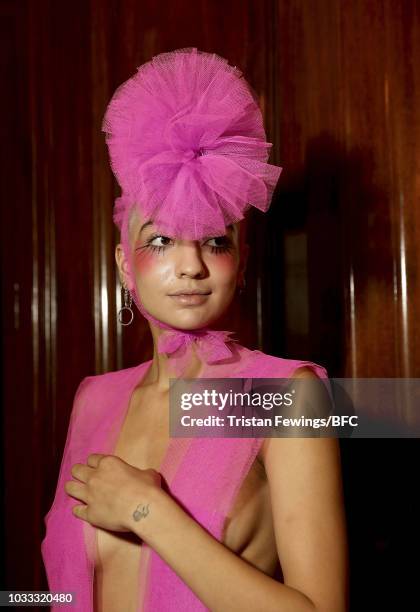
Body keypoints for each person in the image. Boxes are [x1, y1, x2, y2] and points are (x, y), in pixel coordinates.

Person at [41, 48, 349, 611]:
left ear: (244, 262)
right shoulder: (93, 398)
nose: (191, 266)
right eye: (160, 241)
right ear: (123, 265)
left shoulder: (285, 396)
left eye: (214, 240)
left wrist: (149, 512)